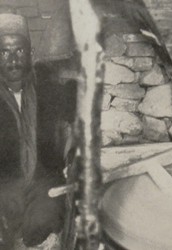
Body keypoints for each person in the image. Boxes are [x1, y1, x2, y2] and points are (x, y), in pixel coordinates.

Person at [0, 10, 67, 248]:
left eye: (19, 50)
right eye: (4, 52)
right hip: (5, 182)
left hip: (42, 180)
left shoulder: (47, 89)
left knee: (44, 221)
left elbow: (69, 127)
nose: (12, 59)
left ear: (31, 54)